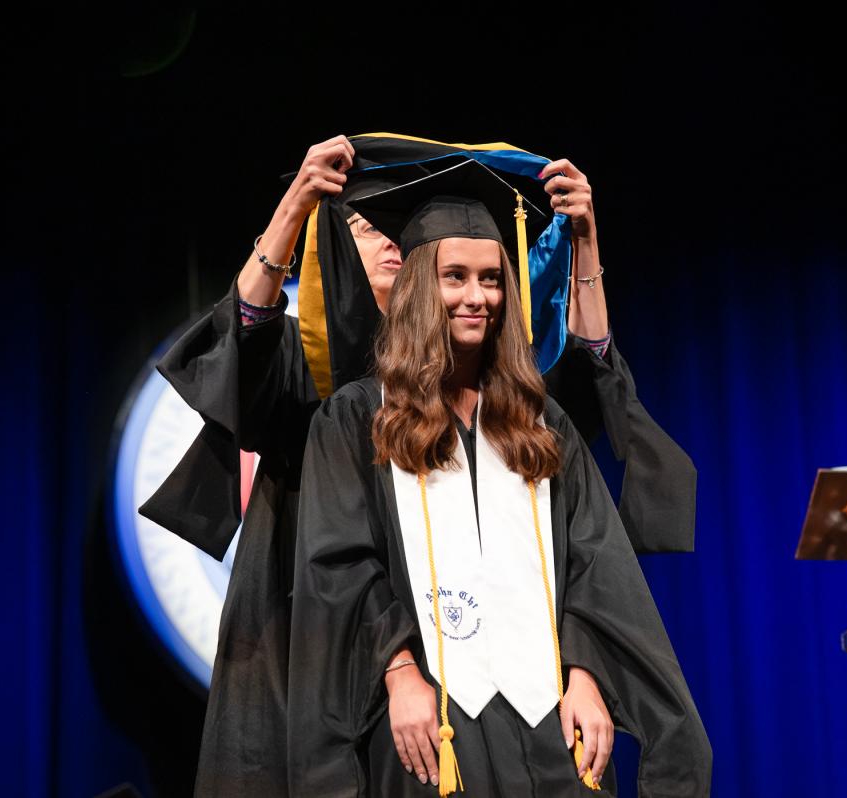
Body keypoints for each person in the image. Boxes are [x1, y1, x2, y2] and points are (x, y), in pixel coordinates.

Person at [138, 134, 700, 796]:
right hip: (333, 638)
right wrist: (293, 208)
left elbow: (580, 492)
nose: (389, 244)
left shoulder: (515, 403)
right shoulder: (320, 384)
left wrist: (585, 666)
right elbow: (243, 342)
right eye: (366, 227)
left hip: (515, 683)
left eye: (488, 277)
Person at [286, 160, 711, 796]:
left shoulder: (540, 423)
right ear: (419, 288)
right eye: (454, 277)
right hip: (429, 724)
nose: (476, 297)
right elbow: (340, 566)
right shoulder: (356, 417)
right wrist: (398, 673)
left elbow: (594, 565)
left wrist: (586, 672)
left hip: (547, 720)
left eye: (490, 279)